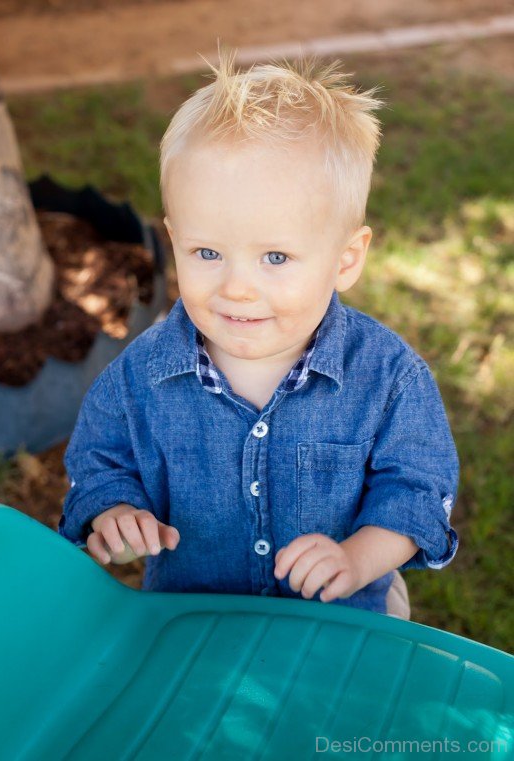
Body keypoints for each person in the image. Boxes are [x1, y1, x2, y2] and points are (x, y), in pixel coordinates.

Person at [58, 48, 459, 619]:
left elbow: (417, 490)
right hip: (192, 623)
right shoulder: (138, 376)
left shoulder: (388, 376)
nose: (237, 288)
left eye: (274, 256)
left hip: (342, 620)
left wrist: (358, 559)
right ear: (173, 241)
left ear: (345, 260)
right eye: (207, 252)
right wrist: (114, 512)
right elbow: (101, 464)